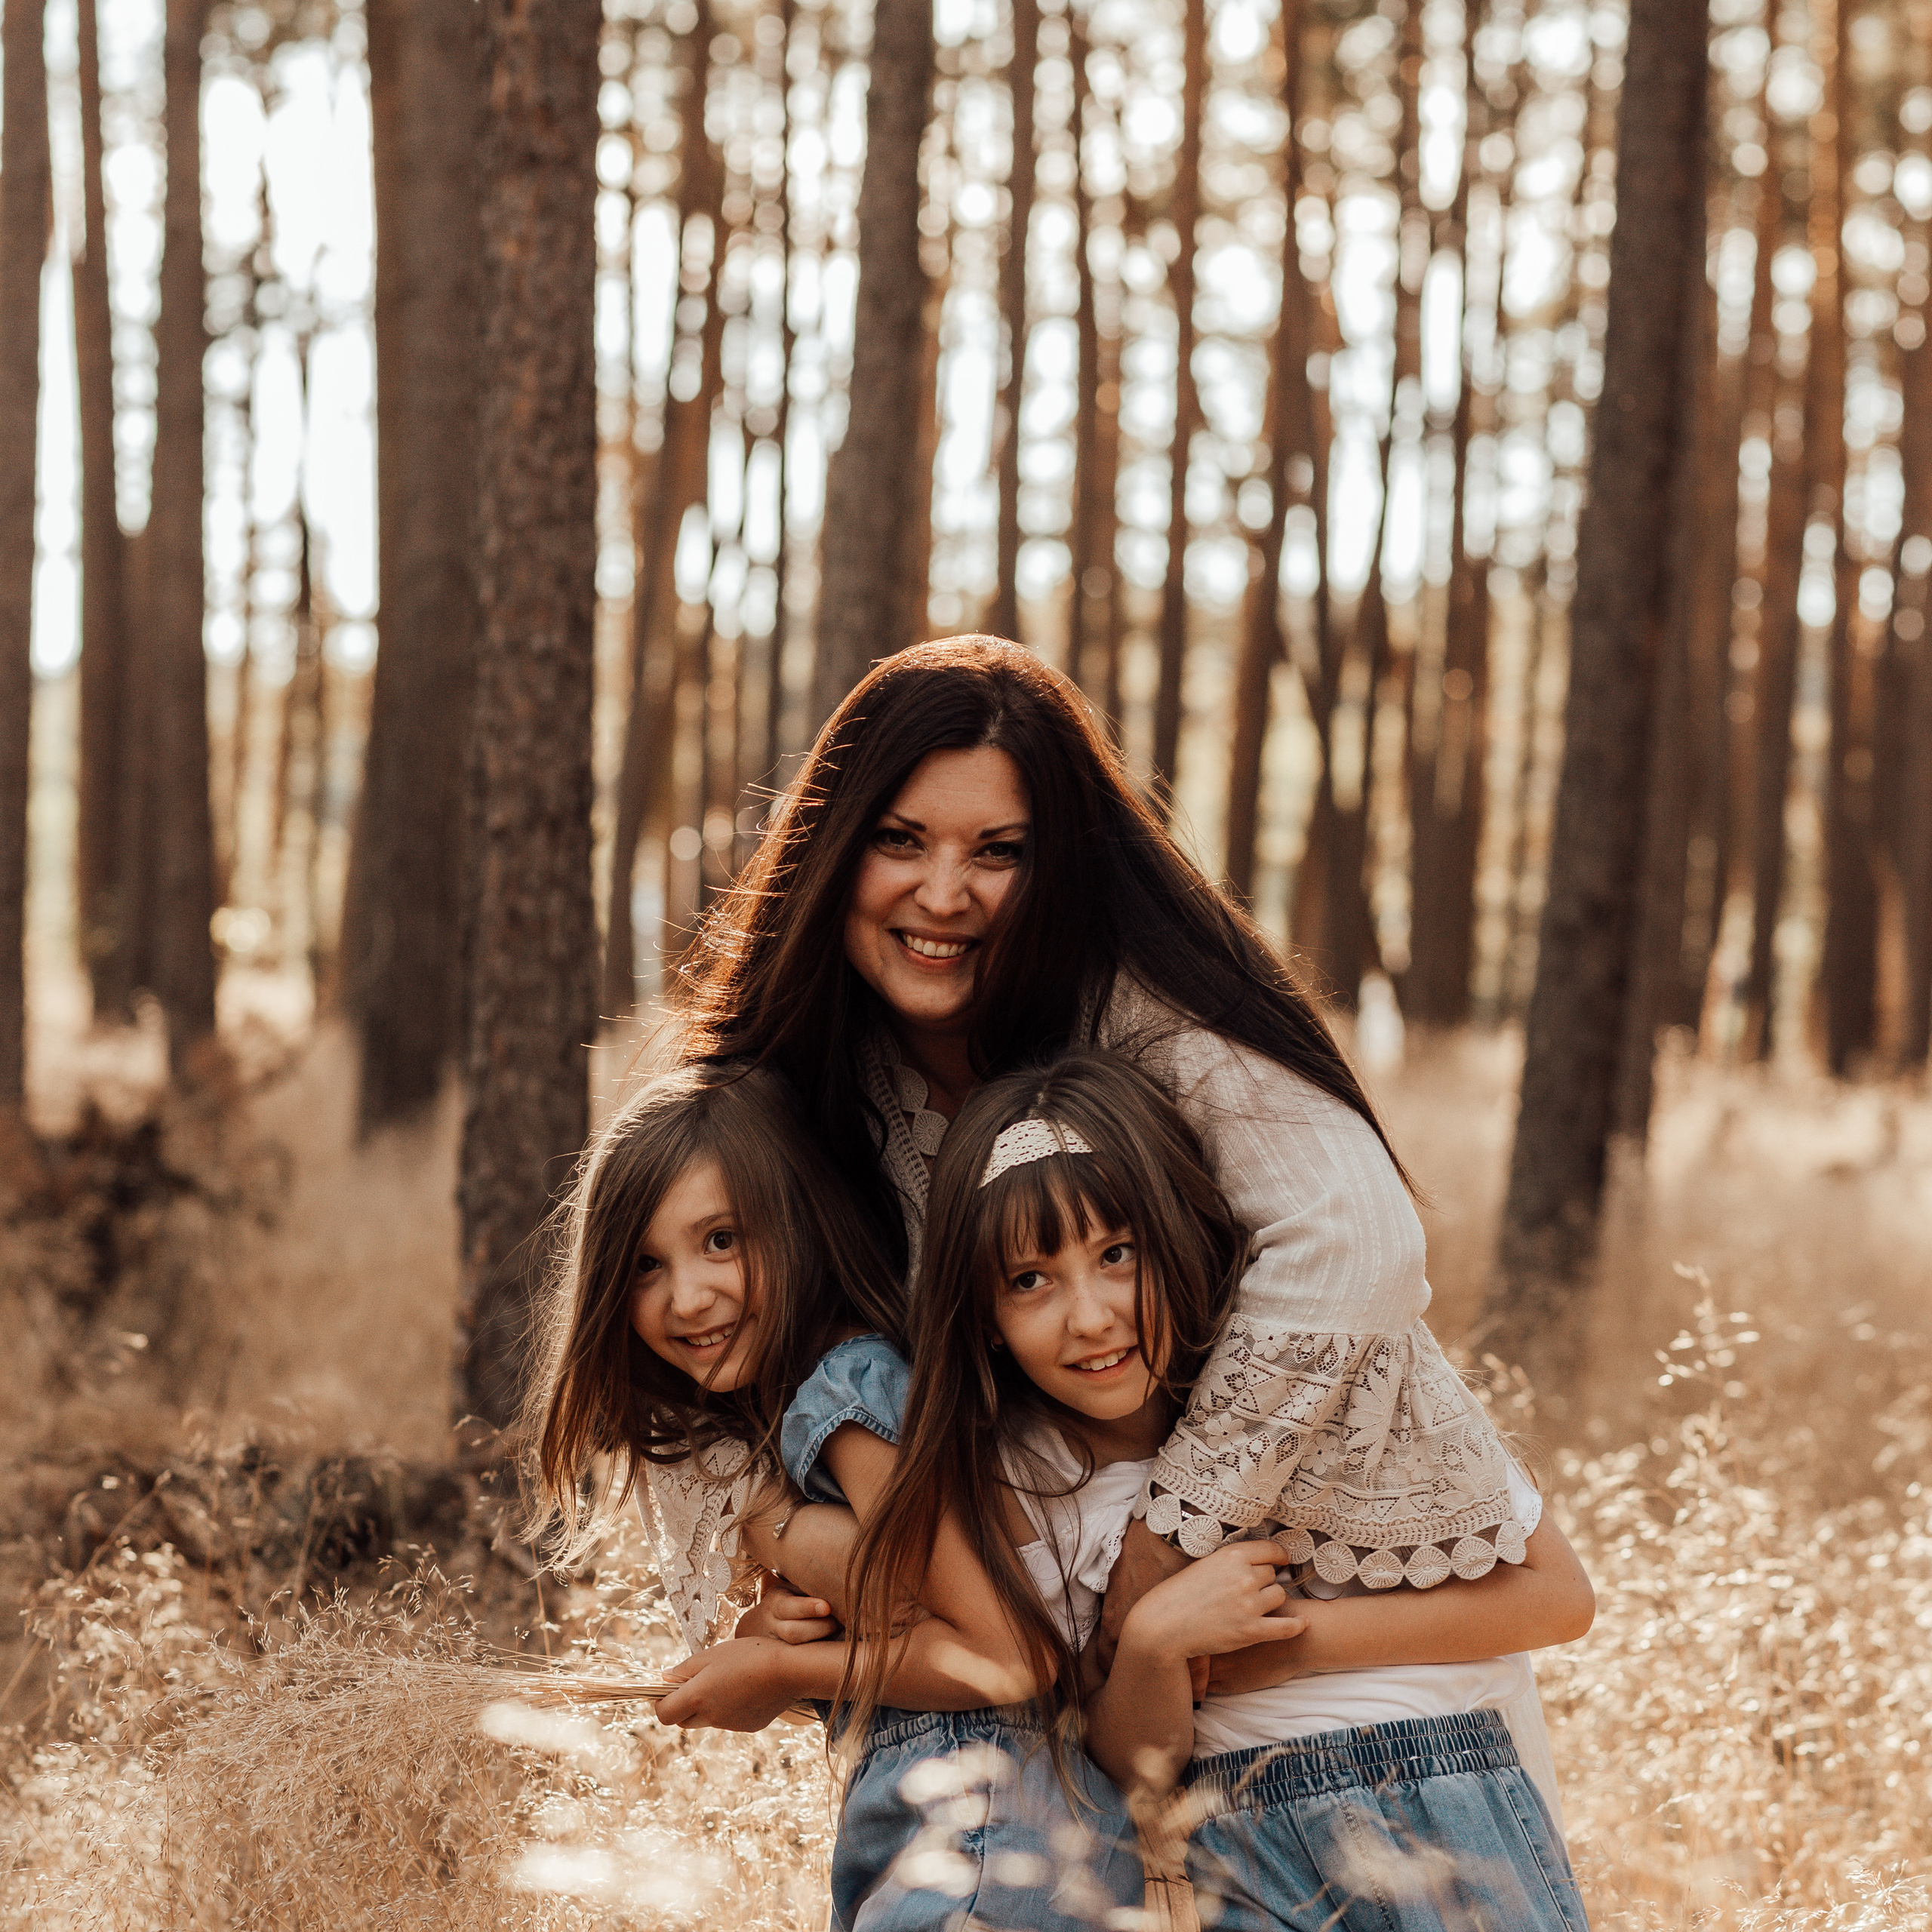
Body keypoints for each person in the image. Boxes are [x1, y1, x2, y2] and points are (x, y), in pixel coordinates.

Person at [654, 637, 1554, 1710]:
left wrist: (1166, 1541)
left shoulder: (1147, 1007)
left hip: (1333, 1656)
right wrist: (784, 1541)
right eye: (899, 840)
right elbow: (674, 1343)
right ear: (832, 845)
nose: (942, 893)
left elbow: (1354, 1241)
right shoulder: (780, 1089)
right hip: (1052, 1682)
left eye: (998, 852)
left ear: (1057, 869)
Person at [838, 1050, 1591, 1930]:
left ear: (1181, 1240)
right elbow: (1130, 1771)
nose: (1090, 1316)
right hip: (1240, 1855)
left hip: (1443, 1792)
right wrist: (1154, 1643)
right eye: (1029, 1280)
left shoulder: (1324, 1378)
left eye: (1117, 1254)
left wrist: (1292, 1644)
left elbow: (1558, 1598)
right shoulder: (1026, 1489)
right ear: (986, 1317)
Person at [520, 1063, 1145, 1930]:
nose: (687, 1297)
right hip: (962, 1831)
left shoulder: (848, 1393)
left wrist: (782, 1669)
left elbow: (1006, 1657)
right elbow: (912, 1629)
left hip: (987, 1832)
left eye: (721, 1240)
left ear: (796, 1221)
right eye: (645, 1266)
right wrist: (778, 1640)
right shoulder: (804, 1411)